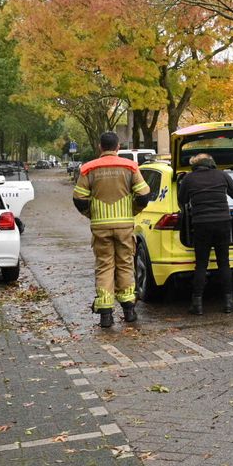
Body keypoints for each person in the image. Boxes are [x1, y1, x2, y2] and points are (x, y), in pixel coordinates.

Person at [72, 131, 150, 329]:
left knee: (105, 266)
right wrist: (132, 211)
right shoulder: (130, 166)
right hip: (124, 225)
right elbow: (143, 195)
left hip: (100, 227)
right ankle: (129, 312)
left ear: (100, 147)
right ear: (118, 148)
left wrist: (92, 213)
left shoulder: (88, 168)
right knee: (125, 264)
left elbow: (79, 198)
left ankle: (106, 316)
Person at [177, 153, 233, 315]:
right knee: (224, 263)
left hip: (201, 224)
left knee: (201, 264)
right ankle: (228, 303)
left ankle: (197, 304)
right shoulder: (222, 175)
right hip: (223, 223)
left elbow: (182, 200)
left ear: (195, 165)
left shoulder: (189, 179)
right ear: (211, 163)